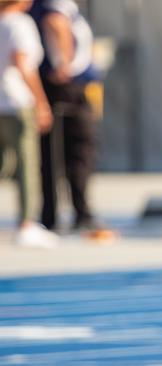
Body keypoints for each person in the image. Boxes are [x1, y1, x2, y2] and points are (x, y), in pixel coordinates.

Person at [29, 0, 104, 233]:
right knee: (75, 149)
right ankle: (76, 212)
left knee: (57, 151)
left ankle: (54, 213)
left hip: (66, 84)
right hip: (66, 86)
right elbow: (55, 21)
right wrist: (64, 62)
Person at [0, 0, 59, 248]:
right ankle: (27, 222)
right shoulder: (19, 24)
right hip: (16, 100)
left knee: (5, 163)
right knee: (27, 164)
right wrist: (40, 101)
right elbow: (23, 63)